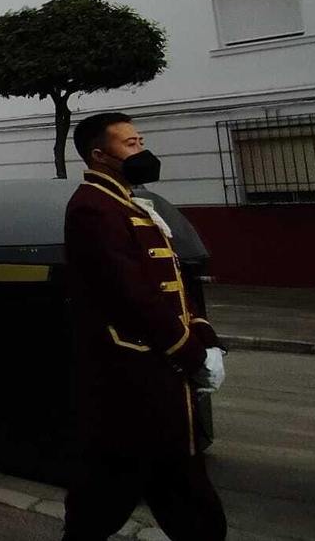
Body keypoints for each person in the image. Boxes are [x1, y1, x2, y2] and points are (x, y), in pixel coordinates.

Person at [63, 112, 227, 541]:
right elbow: (132, 294)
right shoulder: (91, 207)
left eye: (140, 141)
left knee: (165, 487)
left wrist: (206, 338)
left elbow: (172, 281)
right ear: (99, 155)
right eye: (130, 145)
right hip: (135, 376)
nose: (142, 151)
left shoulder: (128, 202)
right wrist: (189, 353)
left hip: (158, 375)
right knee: (123, 487)